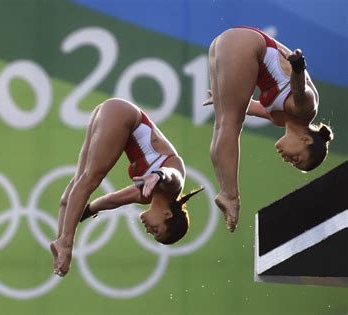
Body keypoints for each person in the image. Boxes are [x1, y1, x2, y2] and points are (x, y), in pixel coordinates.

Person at [50, 98, 203, 277]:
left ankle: (60, 241)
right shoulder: (172, 188)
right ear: (167, 215)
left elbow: (111, 201)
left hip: (110, 112)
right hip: (123, 115)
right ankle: (66, 245)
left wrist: (82, 213)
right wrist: (157, 175)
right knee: (90, 179)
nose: (147, 229)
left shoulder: (146, 196)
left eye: (151, 233)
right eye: (155, 229)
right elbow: (172, 175)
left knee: (76, 188)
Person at [204, 26, 334, 233]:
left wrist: (222, 96)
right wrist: (299, 67)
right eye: (296, 159)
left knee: (222, 124)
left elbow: (252, 107)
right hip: (246, 44)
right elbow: (301, 90)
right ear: (306, 141)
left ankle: (225, 190)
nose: (287, 159)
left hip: (226, 43)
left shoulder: (280, 119)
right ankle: (230, 195)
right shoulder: (307, 109)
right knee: (229, 124)